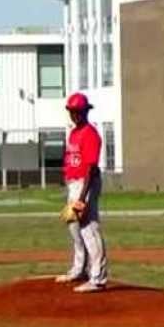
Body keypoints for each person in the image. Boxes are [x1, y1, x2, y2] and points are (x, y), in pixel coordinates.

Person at [56, 92, 108, 293]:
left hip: (86, 183)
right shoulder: (74, 133)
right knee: (73, 226)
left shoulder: (90, 134)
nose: (74, 115)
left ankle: (98, 278)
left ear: (86, 111)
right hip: (73, 183)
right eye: (71, 111)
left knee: (89, 227)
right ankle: (79, 269)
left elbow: (91, 168)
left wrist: (82, 197)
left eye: (78, 111)